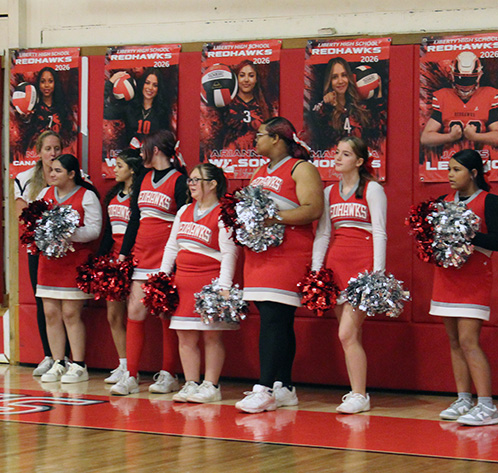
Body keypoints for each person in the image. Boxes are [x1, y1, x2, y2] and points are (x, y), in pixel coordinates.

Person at [235, 117, 324, 414]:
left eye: (259, 135)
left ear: (276, 138)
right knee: (278, 321)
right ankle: (284, 387)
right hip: (260, 254)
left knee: (274, 319)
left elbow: (312, 209)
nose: (255, 140)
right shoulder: (258, 172)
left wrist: (274, 218)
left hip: (289, 252)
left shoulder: (301, 168)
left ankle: (263, 388)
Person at [310, 136, 387, 414]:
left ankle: (359, 394)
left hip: (362, 267)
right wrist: (317, 270)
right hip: (336, 266)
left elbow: (379, 231)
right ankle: (357, 394)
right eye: (337, 153)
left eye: (345, 154)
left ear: (359, 160)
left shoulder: (373, 189)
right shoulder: (330, 192)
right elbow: (323, 233)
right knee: (350, 336)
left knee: (346, 333)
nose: (338, 158)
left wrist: (377, 275)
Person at [430, 149, 498, 426]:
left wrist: (466, 232)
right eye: (449, 169)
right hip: (446, 278)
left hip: (474, 279)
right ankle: (464, 398)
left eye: (456, 170)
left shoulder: (491, 202)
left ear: (473, 173)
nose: (450, 175)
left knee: (468, 341)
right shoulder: (442, 201)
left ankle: (487, 405)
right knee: (454, 341)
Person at [110, 130, 188, 396]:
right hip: (141, 256)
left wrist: (176, 259)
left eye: (144, 148)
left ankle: (168, 374)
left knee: (166, 314)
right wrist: (124, 254)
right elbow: (134, 219)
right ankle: (131, 374)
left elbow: (184, 221)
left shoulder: (180, 181)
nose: (141, 153)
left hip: (167, 258)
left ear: (155, 150)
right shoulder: (142, 178)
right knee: (135, 312)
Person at [160, 163, 238, 403]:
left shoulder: (223, 212)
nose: (191, 184)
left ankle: (211, 385)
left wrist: (223, 286)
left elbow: (229, 253)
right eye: (190, 180)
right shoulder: (184, 210)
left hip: (209, 282)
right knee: (185, 335)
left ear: (213, 184)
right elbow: (172, 246)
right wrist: (162, 276)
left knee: (211, 336)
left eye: (196, 179)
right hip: (183, 280)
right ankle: (191, 382)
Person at [35, 154, 101, 384]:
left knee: (71, 314)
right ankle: (57, 361)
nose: (52, 174)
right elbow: (35, 223)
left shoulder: (87, 196)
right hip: (49, 262)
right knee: (51, 313)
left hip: (74, 262)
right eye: (51, 170)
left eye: (58, 171)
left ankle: (79, 365)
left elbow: (94, 230)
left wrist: (66, 233)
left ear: (72, 174)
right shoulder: (44, 194)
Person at [14, 131, 65, 377]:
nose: (53, 154)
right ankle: (50, 355)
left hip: (67, 248)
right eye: (48, 149)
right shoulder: (24, 179)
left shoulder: (74, 176)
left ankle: (72, 359)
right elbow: (21, 215)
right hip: (38, 248)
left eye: (57, 149)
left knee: (68, 304)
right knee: (43, 301)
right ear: (38, 151)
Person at [97, 149, 144, 384]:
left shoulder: (141, 195)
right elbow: (108, 230)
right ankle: (123, 363)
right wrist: (100, 258)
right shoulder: (113, 194)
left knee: (134, 314)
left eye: (119, 165)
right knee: (113, 314)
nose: (114, 169)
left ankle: (135, 367)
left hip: (134, 259)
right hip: (114, 260)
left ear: (132, 169)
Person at [420, 51, 498, 149]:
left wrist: (475, 136)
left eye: (469, 80)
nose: (465, 86)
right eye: (460, 79)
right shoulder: (444, 96)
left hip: (480, 156)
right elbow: (425, 138)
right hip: (450, 157)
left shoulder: (488, 95)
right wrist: (450, 137)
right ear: (452, 76)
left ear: (479, 76)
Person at [309, 57, 381, 150]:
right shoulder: (324, 110)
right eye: (335, 77)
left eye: (344, 75)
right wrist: (327, 105)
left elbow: (377, 131)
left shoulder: (359, 107)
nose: (340, 81)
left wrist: (379, 95)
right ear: (329, 81)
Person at [104, 68, 171, 149]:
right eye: (147, 83)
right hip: (131, 158)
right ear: (142, 84)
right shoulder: (129, 107)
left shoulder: (162, 111)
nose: (150, 88)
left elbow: (165, 140)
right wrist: (111, 82)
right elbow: (101, 110)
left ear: (158, 88)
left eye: (155, 85)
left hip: (152, 158)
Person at [17, 67, 76, 157]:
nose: (46, 85)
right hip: (36, 156)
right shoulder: (32, 107)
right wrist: (26, 119)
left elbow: (69, 133)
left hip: (58, 155)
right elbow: (24, 134)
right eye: (43, 81)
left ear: (55, 83)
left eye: (50, 81)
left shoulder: (63, 107)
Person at [221, 60, 272, 151]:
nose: (246, 80)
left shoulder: (265, 106)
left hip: (258, 157)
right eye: (242, 75)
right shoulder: (226, 105)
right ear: (236, 78)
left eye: (251, 75)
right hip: (230, 157)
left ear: (256, 79)